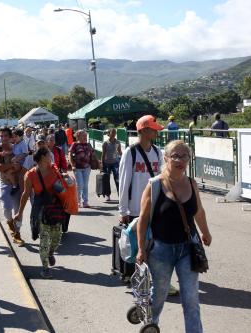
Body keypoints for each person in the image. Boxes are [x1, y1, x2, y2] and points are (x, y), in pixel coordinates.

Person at [136, 140, 212, 333]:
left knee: (191, 299)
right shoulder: (154, 186)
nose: (180, 160)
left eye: (184, 156)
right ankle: (150, 327)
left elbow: (199, 212)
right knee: (159, 295)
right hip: (161, 250)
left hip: (188, 248)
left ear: (189, 159)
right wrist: (141, 248)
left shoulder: (192, 183)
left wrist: (205, 232)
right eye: (175, 156)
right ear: (166, 158)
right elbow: (143, 220)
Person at [119, 115, 181, 295]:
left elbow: (163, 179)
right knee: (141, 249)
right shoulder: (130, 153)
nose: (156, 131)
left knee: (159, 248)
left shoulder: (157, 152)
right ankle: (141, 282)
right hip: (135, 209)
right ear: (144, 130)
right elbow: (124, 182)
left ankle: (160, 282)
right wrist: (123, 210)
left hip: (155, 208)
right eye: (153, 129)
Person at [14, 147, 64, 278]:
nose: (51, 156)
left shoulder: (54, 169)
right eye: (48, 154)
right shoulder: (30, 174)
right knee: (44, 239)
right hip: (41, 210)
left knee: (57, 237)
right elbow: (25, 194)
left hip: (55, 208)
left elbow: (63, 187)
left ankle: (51, 253)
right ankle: (45, 269)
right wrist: (19, 213)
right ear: (42, 157)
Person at [0, 128, 25, 245]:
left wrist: (12, 167)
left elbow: (23, 164)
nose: (3, 138)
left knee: (18, 211)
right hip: (4, 182)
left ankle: (17, 234)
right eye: (1, 136)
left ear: (11, 137)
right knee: (6, 207)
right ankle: (10, 223)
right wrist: (11, 165)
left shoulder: (16, 147)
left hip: (18, 183)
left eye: (6, 136)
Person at [69, 129, 97, 208]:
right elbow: (70, 155)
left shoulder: (88, 145)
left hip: (87, 167)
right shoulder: (74, 144)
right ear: (78, 137)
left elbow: (93, 154)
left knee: (85, 185)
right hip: (77, 167)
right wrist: (72, 165)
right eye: (83, 136)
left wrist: (98, 163)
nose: (85, 137)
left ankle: (85, 202)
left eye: (86, 136)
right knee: (80, 185)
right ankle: (78, 201)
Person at [101, 128, 122, 201]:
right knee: (107, 179)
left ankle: (120, 195)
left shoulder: (118, 142)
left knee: (117, 179)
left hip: (115, 163)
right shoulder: (105, 143)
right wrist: (102, 164)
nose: (114, 134)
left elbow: (120, 152)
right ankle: (107, 195)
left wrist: (123, 160)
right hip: (107, 163)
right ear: (109, 133)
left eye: (115, 133)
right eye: (112, 132)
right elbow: (103, 154)